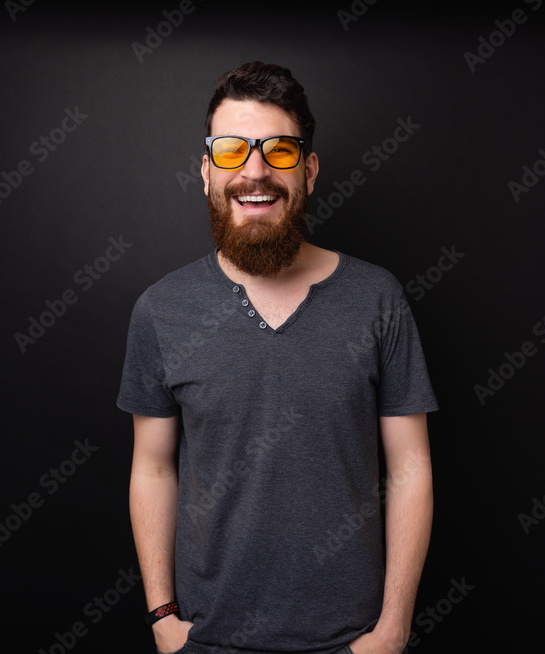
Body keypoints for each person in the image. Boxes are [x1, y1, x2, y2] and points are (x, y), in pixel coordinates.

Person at [117, 61, 437, 654]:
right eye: (233, 150)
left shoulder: (378, 299)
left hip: (350, 643)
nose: (256, 172)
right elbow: (153, 467)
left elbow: (410, 468)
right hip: (208, 642)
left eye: (280, 151)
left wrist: (391, 631)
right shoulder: (161, 310)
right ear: (207, 172)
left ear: (309, 171)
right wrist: (164, 619)